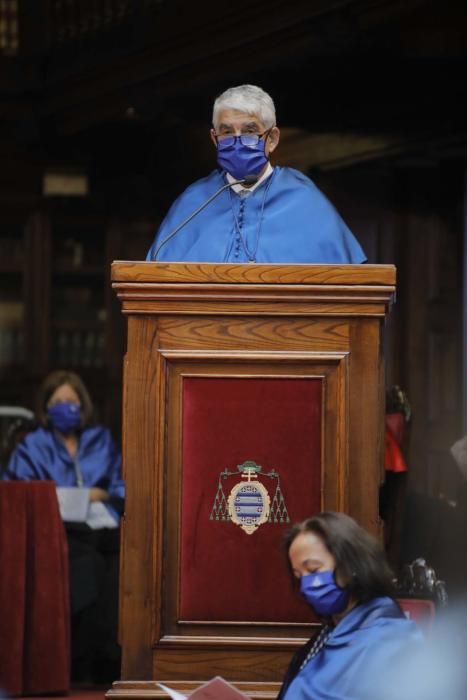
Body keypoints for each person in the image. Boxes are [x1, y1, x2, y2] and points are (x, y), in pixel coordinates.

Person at [146, 84, 366, 264]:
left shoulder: (303, 198)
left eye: (250, 131)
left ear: (272, 139)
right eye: (227, 132)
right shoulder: (194, 201)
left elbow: (353, 284)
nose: (238, 141)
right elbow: (152, 277)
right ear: (214, 139)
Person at [4, 370, 124, 684]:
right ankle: (79, 663)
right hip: (56, 530)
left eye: (71, 401)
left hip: (102, 524)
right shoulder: (32, 445)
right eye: (57, 402)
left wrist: (105, 495)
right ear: (46, 408)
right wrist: (74, 496)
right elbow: (16, 495)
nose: (65, 407)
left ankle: (109, 661)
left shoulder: (101, 439)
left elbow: (121, 485)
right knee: (89, 566)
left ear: (82, 405)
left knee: (121, 564)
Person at [278, 511, 423, 700]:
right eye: (299, 576)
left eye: (313, 570)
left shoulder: (393, 638)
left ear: (351, 565)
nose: (306, 585)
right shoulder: (327, 633)